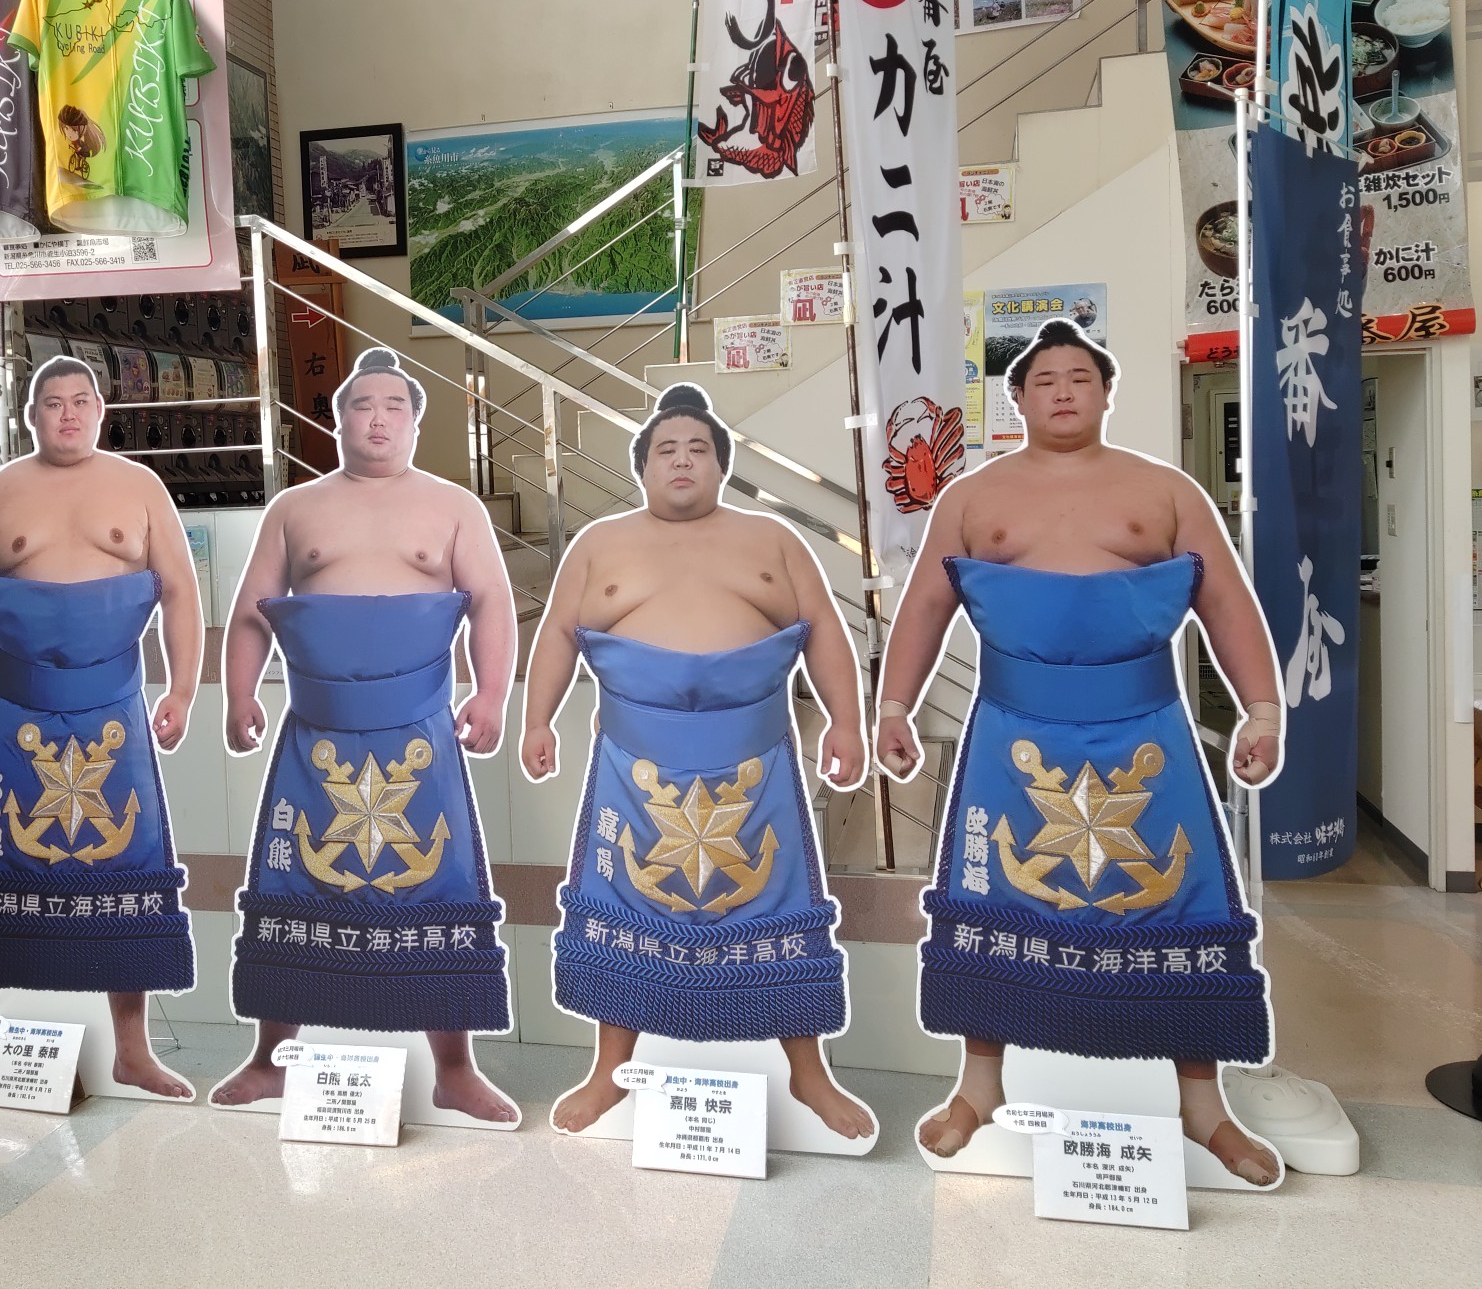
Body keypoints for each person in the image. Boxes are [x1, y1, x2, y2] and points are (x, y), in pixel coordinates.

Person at [875, 319, 1286, 1185]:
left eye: (1080, 378)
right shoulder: (972, 498)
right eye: (1044, 380)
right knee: (991, 900)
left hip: (1145, 729)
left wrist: (1261, 708)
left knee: (1182, 906)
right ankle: (978, 1087)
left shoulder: (1166, 491)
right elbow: (924, 609)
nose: (1063, 390)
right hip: (1012, 733)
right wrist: (894, 706)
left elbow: (1226, 603)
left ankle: (1203, 1107)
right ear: (1018, 401)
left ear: (1105, 393)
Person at [523, 383, 875, 1140]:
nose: (682, 460)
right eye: (666, 450)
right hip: (634, 763)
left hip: (754, 760)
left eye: (698, 449)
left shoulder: (773, 539)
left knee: (777, 906)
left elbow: (823, 630)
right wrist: (536, 719)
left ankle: (809, 1072)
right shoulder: (599, 544)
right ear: (643, 468)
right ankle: (609, 1070)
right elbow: (557, 632)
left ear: (721, 466)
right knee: (623, 908)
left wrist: (846, 722)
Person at [211, 347, 517, 1122]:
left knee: (439, 886)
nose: (377, 419)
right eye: (361, 404)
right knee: (292, 882)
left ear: (415, 421)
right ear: (338, 419)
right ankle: (270, 1059)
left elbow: (490, 600)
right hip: (315, 732)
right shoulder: (294, 509)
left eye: (393, 406)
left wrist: (490, 694)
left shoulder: (454, 506)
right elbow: (252, 611)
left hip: (419, 731)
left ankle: (455, 1069)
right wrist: (239, 694)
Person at [0, 356, 201, 1099]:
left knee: (127, 870)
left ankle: (133, 1050)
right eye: (53, 403)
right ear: (30, 416)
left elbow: (180, 592)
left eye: (81, 401)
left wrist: (181, 689)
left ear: (101, 410)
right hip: (15, 706)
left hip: (114, 706)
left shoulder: (141, 488)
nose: (68, 413)